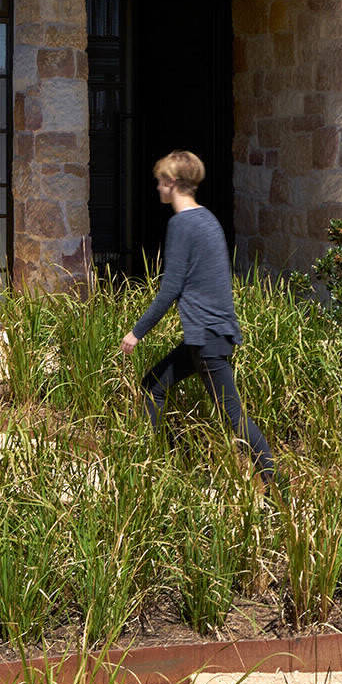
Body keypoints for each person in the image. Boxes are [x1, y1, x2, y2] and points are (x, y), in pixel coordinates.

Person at [120, 150, 274, 478]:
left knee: (234, 416)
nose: (158, 187)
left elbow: (170, 288)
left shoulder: (182, 224)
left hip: (207, 338)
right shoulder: (207, 219)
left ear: (173, 183)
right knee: (153, 386)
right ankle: (179, 465)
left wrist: (137, 332)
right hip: (214, 334)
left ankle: (277, 488)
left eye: (161, 181)